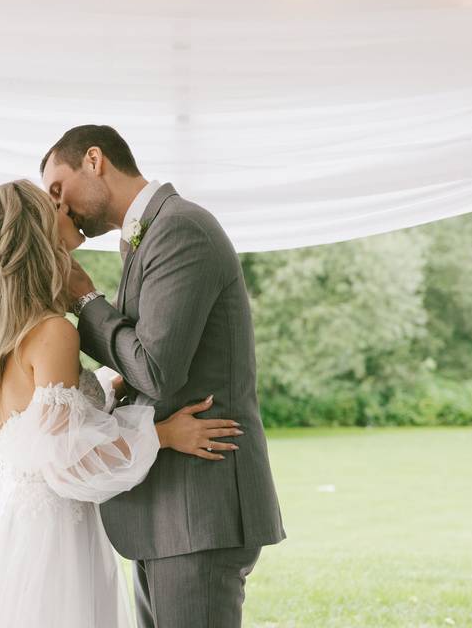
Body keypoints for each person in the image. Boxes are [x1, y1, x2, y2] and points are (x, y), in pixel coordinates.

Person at [0, 179, 241, 627]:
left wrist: (108, 385)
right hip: (51, 537)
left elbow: (43, 421)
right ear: (40, 237)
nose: (65, 207)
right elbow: (66, 460)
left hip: (10, 521)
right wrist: (162, 434)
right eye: (53, 206)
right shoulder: (55, 332)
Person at [41, 125, 286, 628]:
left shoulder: (181, 228)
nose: (59, 209)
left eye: (58, 190)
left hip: (199, 508)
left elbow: (156, 369)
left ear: (94, 159)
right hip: (168, 508)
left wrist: (87, 301)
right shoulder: (145, 236)